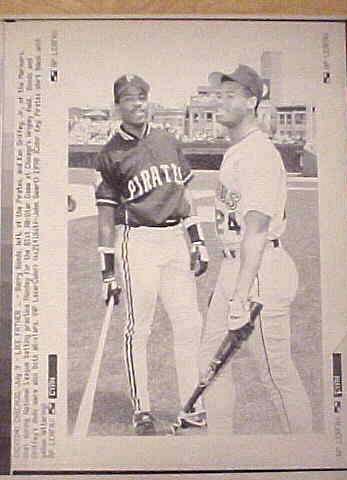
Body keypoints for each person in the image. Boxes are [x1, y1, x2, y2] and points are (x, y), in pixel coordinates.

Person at [199, 64, 312, 434]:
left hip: (259, 271)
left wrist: (239, 295)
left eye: (230, 95)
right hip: (238, 268)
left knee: (276, 373)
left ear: (251, 102)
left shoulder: (258, 154)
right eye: (219, 94)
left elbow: (257, 230)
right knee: (209, 366)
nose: (220, 101)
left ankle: (310, 458)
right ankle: (219, 452)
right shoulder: (237, 150)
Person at [94, 74, 208, 435]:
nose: (137, 104)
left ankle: (191, 406)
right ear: (118, 107)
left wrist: (198, 240)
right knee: (138, 329)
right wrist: (107, 272)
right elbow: (105, 218)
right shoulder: (110, 153)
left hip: (174, 239)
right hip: (137, 242)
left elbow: (184, 198)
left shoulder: (169, 141)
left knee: (189, 325)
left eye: (142, 97)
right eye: (129, 99)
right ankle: (141, 409)